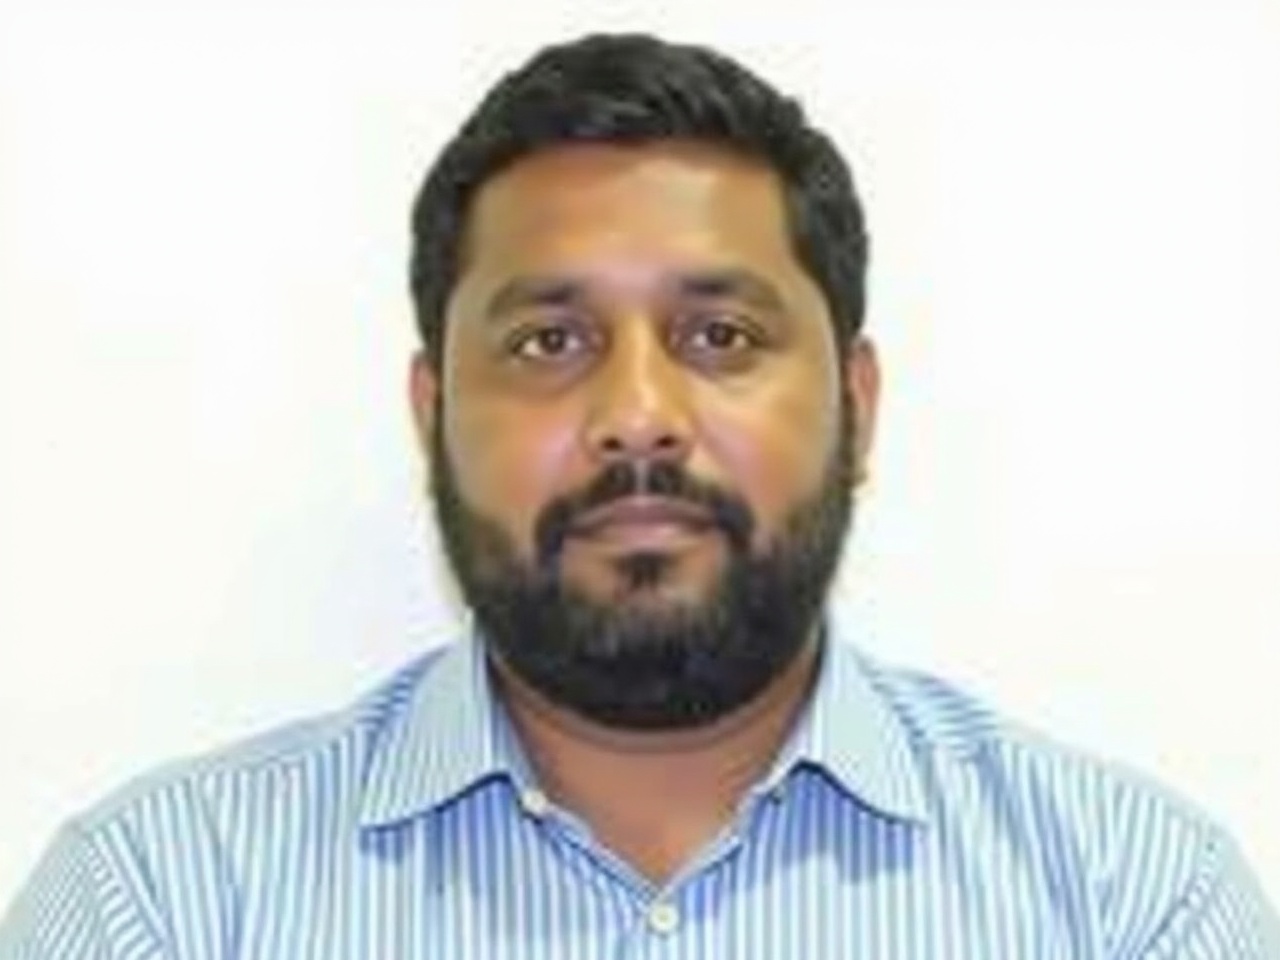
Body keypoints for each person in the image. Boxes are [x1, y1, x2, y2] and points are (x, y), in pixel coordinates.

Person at [2, 31, 1276, 959]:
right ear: (431, 415)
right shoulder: (159, 909)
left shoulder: (1126, 906)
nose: (637, 417)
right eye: (548, 343)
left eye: (718, 337)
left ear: (859, 406)